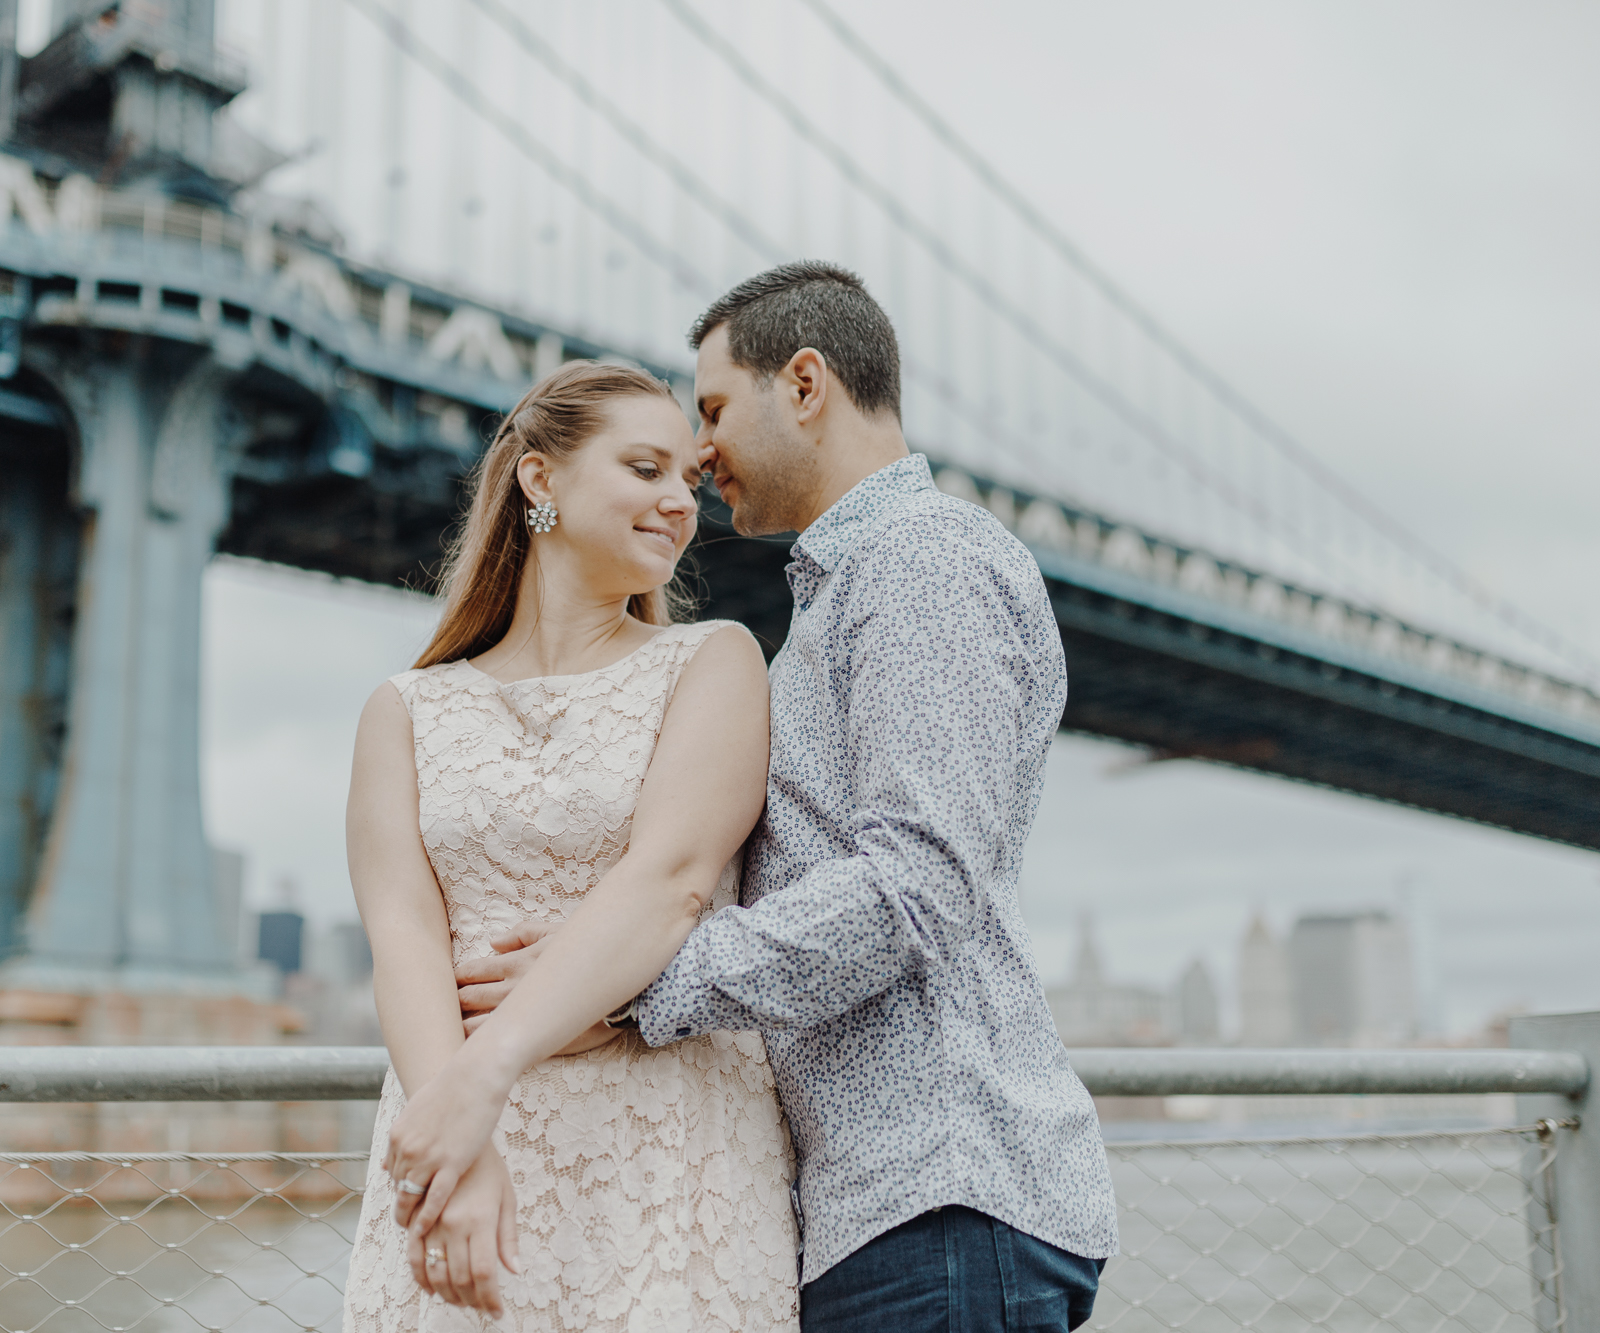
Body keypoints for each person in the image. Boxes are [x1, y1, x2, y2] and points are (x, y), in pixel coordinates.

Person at [440, 262, 1119, 1331]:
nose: (695, 453)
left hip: (940, 1193)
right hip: (884, 1209)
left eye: (710, 408)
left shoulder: (920, 560)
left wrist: (628, 989)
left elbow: (914, 885)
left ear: (803, 384)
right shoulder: (846, 590)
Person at [340, 360, 801, 1330]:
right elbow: (405, 938)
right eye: (644, 469)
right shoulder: (403, 709)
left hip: (663, 1144)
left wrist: (480, 1077)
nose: (679, 502)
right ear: (538, 480)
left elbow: (670, 883)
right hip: (463, 1136)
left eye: (688, 479)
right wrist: (454, 1150)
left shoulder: (713, 660)